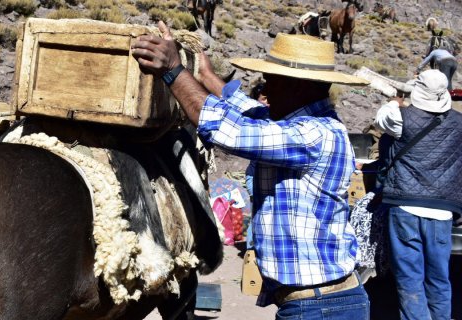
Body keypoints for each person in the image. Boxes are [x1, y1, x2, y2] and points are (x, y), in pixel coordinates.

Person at [132, 23, 370, 319]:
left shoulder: (314, 134)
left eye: (272, 80)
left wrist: (173, 70)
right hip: (317, 303)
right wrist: (205, 75)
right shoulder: (301, 122)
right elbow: (249, 110)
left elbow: (228, 130)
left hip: (319, 307)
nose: (265, 90)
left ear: (298, 85)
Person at [374, 69, 462, 320]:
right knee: (439, 278)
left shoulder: (401, 117)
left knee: (410, 279)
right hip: (443, 211)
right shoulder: (459, 123)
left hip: (405, 208)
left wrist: (395, 99)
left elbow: (382, 118)